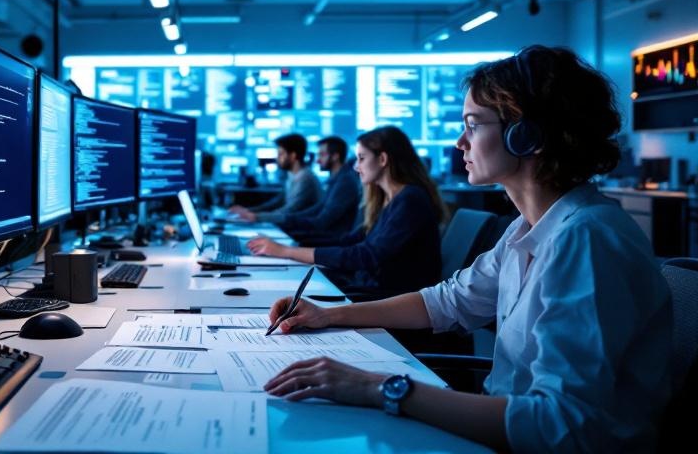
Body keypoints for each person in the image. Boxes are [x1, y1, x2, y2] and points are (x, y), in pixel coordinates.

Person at [262, 46, 672, 452]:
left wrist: (380, 388)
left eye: (473, 125)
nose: (460, 141)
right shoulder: (527, 230)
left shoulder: (586, 241)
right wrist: (328, 315)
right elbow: (446, 302)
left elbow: (559, 424)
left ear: (526, 135)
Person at [248, 126, 445, 292]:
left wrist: (287, 251)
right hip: (370, 287)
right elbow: (349, 241)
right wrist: (292, 247)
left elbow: (367, 256)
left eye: (361, 158)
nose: (356, 167)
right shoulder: (388, 199)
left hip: (385, 298)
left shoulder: (409, 200)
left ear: (383, 159)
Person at [235, 136, 360, 239]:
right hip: (322, 236)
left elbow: (320, 221)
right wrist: (253, 213)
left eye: (321, 155)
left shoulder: (343, 182)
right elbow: (314, 211)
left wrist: (258, 217)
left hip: (329, 241)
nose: (317, 161)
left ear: (335, 156)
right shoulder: (337, 180)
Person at [229, 133, 321, 219]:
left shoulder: (305, 178)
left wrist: (256, 217)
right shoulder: (292, 174)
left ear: (293, 155)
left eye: (281, 154)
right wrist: (248, 211)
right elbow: (278, 202)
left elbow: (290, 210)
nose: (277, 158)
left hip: (300, 232)